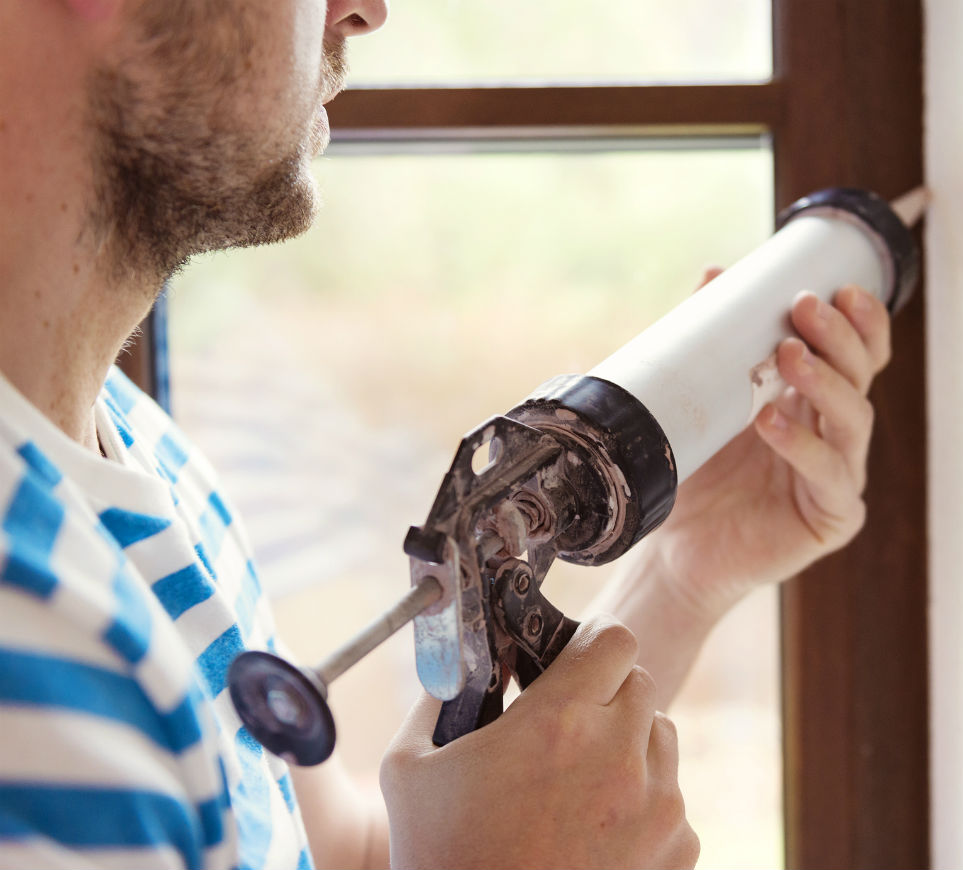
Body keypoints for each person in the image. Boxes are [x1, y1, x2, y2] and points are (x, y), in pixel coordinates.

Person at [0, 1, 893, 867]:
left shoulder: (123, 443)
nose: (367, 10)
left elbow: (349, 857)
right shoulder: (31, 666)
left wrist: (683, 574)